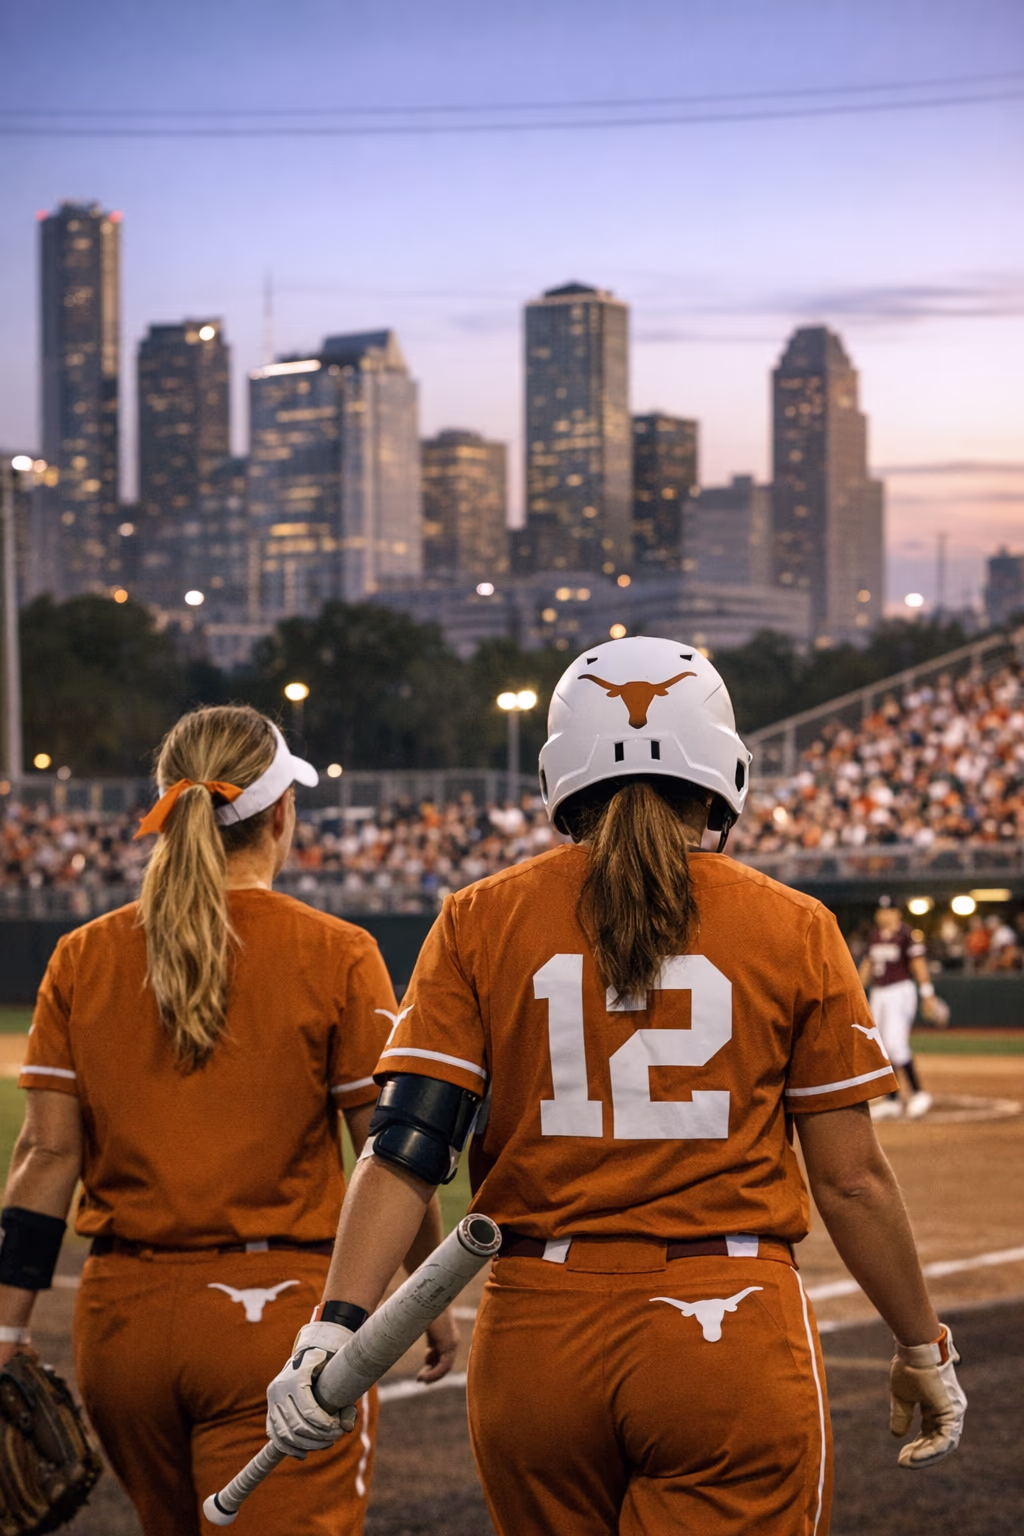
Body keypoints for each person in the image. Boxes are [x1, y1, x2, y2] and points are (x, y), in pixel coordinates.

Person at [265, 637, 966, 1536]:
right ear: (721, 764)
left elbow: (405, 1150)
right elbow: (852, 1179)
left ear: (564, 772)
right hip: (726, 1327)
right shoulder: (794, 926)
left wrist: (336, 1322)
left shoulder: (478, 919)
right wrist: (921, 1345)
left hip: (535, 1339)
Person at [0, 705, 455, 1536]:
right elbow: (390, 1152)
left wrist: (7, 1325)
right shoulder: (339, 951)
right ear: (281, 814)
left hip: (122, 1325)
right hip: (275, 1317)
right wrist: (428, 1304)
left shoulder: (81, 955)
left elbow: (43, 1158)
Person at [858, 896, 939, 1119]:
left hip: (900, 991)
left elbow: (918, 965)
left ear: (897, 913)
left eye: (889, 910)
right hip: (880, 992)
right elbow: (867, 965)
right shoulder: (874, 936)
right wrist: (854, 992)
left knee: (895, 1044)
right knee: (881, 1047)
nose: (884, 914)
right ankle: (892, 1100)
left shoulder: (906, 935)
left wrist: (928, 994)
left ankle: (919, 1093)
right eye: (881, 911)